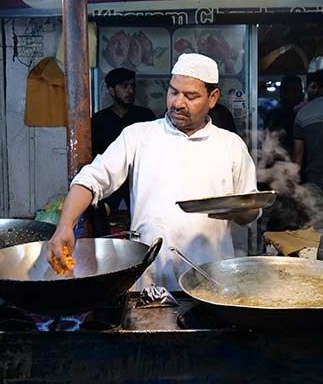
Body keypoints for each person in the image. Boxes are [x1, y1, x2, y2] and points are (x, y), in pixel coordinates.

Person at [47, 53, 260, 290]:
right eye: (173, 92)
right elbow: (90, 179)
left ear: (213, 98)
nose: (178, 103)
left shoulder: (231, 145)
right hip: (149, 282)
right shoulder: (138, 135)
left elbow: (249, 211)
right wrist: (65, 225)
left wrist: (236, 210)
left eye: (190, 96)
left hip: (211, 282)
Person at [91, 68, 155, 235]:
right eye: (124, 86)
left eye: (133, 86)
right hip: (110, 177)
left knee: (146, 217)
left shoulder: (145, 116)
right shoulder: (99, 120)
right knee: (98, 213)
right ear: (111, 91)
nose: (130, 91)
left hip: (138, 176)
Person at [264, 76, 303, 151]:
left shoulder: (300, 111)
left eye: (301, 90)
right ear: (284, 92)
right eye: (295, 90)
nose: (300, 94)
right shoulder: (276, 114)